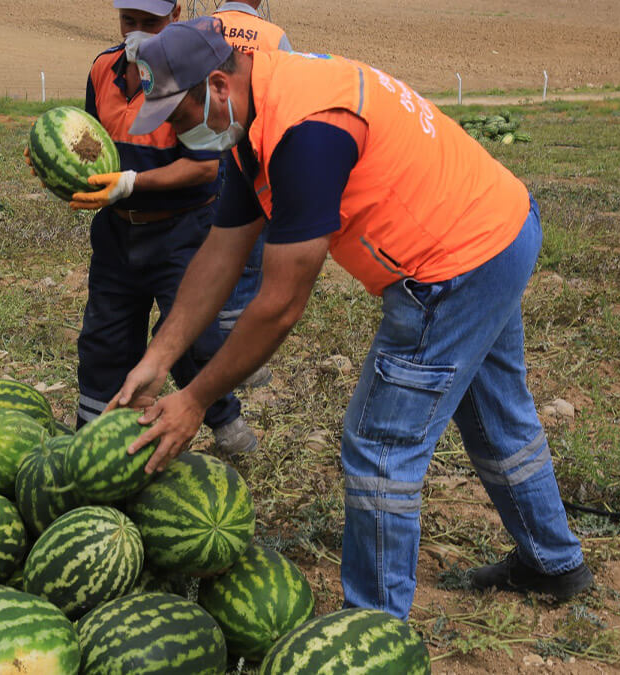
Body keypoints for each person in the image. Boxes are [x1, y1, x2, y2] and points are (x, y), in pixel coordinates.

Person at [106, 17, 593, 620]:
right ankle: (554, 564)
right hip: (497, 227)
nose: (180, 135)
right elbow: (221, 252)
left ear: (217, 86)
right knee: (497, 413)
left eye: (179, 118)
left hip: (454, 267)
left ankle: (373, 629)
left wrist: (196, 400)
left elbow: (280, 305)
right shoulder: (255, 116)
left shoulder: (306, 133)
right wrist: (160, 357)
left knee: (380, 446)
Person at [65, 0, 257, 455]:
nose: (137, 32)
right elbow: (87, 142)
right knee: (104, 340)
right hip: (117, 231)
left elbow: (205, 169)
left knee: (190, 336)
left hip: (182, 231)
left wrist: (131, 183)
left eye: (150, 23)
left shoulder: (185, 74)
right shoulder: (102, 69)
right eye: (128, 21)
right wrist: (57, 162)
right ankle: (91, 444)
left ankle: (226, 424)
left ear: (174, 18)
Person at [204, 0, 293, 388]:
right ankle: (242, 355)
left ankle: (212, 339)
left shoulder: (205, 26)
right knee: (250, 250)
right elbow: (286, 93)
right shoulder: (274, 35)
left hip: (208, 141)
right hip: (253, 146)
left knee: (215, 239)